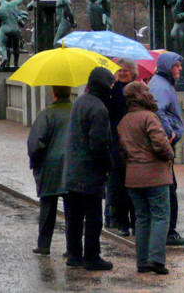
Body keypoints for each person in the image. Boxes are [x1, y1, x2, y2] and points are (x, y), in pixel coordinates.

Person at [118, 79, 174, 274]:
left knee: (141, 218)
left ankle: (142, 262)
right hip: (155, 176)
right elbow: (161, 145)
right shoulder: (149, 117)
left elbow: (123, 152)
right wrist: (170, 154)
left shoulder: (124, 121)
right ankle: (157, 259)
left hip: (133, 177)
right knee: (160, 216)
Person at [63, 66, 114, 270]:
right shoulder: (99, 108)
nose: (112, 88)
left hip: (72, 170)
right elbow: (98, 144)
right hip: (89, 173)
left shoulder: (80, 101)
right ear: (103, 85)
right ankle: (92, 256)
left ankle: (74, 255)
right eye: (110, 84)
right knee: (93, 217)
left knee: (73, 217)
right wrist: (108, 166)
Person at [147, 51, 184, 246]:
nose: (180, 68)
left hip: (162, 143)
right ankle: (169, 232)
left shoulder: (160, 83)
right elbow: (158, 111)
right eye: (176, 65)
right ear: (167, 67)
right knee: (169, 188)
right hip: (164, 144)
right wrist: (170, 132)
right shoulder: (162, 87)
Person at [27, 85, 72, 255]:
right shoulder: (76, 111)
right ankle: (72, 247)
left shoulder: (47, 113)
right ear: (70, 92)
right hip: (72, 166)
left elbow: (35, 143)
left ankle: (44, 244)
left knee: (47, 205)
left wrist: (36, 161)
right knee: (71, 209)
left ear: (53, 93)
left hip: (50, 166)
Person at [105, 60, 137, 236]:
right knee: (120, 186)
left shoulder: (138, 90)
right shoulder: (114, 90)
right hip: (117, 144)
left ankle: (135, 222)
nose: (123, 73)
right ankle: (122, 223)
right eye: (121, 70)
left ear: (133, 72)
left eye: (127, 70)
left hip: (133, 143)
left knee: (134, 186)